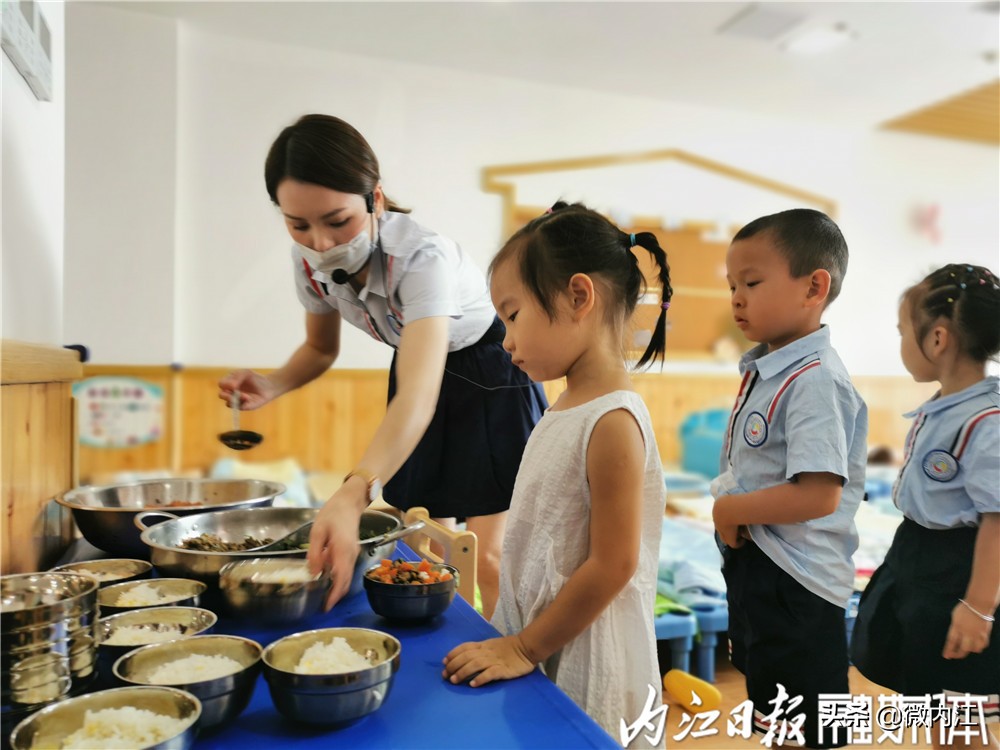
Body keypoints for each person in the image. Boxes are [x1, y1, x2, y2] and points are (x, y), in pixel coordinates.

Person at [218, 114, 547, 617]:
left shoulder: (422, 260)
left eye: (337, 221)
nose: (321, 243)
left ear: (375, 198)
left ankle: (512, 660)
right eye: (298, 224)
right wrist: (273, 383)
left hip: (489, 369)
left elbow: (418, 397)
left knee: (490, 552)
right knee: (423, 538)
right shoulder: (307, 260)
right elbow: (320, 349)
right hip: (417, 365)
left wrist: (352, 494)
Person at [441, 202, 671, 748]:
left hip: (586, 653)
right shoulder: (564, 403)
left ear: (577, 296)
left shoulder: (612, 419)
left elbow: (615, 562)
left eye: (513, 315)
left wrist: (524, 647)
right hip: (543, 637)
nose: (505, 340)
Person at [710, 208, 867, 749]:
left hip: (797, 584)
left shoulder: (815, 379)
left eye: (751, 282)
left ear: (814, 288)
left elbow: (820, 494)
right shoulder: (770, 367)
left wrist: (730, 510)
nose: (736, 297)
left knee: (807, 726)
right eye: (732, 284)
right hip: (763, 569)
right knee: (777, 714)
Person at [851, 264, 1000, 750]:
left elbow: (996, 523)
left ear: (937, 339)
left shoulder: (985, 420)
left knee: (960, 717)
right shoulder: (945, 405)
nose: (900, 343)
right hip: (919, 558)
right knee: (937, 708)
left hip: (957, 572)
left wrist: (978, 608)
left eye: (901, 332)